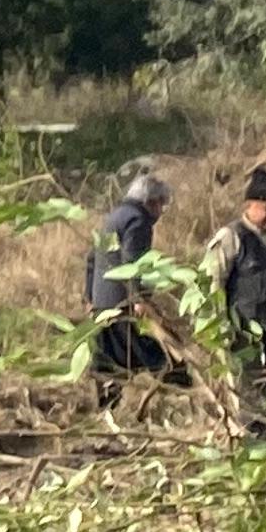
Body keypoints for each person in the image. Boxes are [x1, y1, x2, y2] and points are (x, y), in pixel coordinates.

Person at [205, 165, 266, 440]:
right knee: (248, 394)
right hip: (244, 333)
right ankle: (254, 440)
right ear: (249, 206)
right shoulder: (231, 237)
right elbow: (212, 284)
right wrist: (220, 327)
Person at [86, 164, 180, 396]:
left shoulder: (113, 217)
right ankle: (184, 396)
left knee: (109, 364)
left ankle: (107, 407)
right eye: (161, 205)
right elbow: (132, 264)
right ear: (152, 202)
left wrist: (89, 296)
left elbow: (92, 259)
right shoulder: (138, 221)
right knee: (160, 357)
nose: (161, 212)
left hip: (103, 304)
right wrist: (139, 299)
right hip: (123, 304)